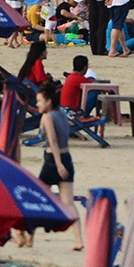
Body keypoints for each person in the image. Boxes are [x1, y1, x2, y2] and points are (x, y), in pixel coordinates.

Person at [35, 83, 85, 250]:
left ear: (49, 102)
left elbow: (53, 141)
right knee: (68, 202)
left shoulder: (47, 117)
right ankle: (78, 240)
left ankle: (29, 237)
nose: (37, 105)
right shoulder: (61, 114)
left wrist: (57, 164)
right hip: (67, 157)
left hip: (52, 160)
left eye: (40, 101)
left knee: (37, 197)